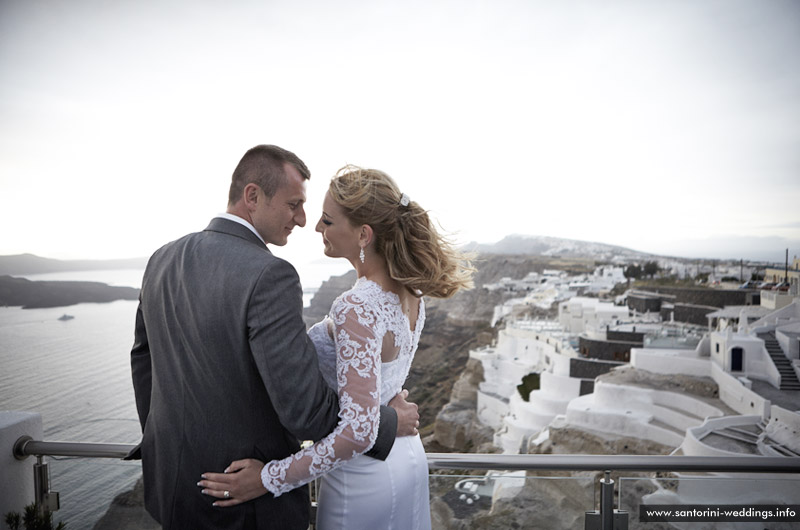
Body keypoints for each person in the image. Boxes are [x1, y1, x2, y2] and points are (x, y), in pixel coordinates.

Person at [130, 146, 419, 529]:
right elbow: (303, 410)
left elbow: (143, 361)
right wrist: (384, 422)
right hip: (243, 498)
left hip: (172, 487)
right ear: (253, 196)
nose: (302, 219)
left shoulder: (161, 259)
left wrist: (165, 447)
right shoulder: (270, 275)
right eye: (294, 204)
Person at [198, 165, 474, 529]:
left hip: (363, 477)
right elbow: (376, 397)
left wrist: (268, 478)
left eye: (328, 220)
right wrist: (386, 414)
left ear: (363, 234)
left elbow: (357, 432)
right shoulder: (412, 295)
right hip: (406, 457)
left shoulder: (356, 307)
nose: (316, 227)